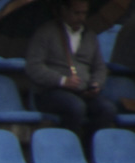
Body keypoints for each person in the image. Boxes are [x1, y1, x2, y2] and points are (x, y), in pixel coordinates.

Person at [25, 0, 117, 147]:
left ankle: (90, 151)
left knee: (106, 109)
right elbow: (33, 67)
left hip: (83, 91)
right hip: (50, 92)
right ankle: (67, 148)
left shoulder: (90, 36)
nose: (81, 18)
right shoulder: (45, 32)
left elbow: (100, 67)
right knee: (75, 107)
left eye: (84, 13)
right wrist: (62, 81)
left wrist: (96, 83)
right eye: (76, 13)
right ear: (64, 11)